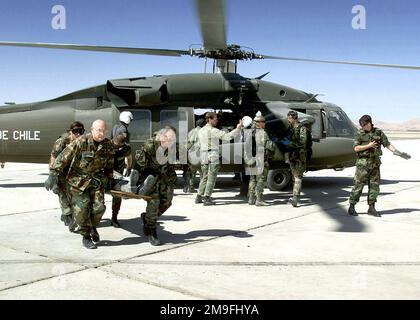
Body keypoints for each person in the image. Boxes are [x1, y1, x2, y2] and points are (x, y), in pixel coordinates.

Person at [51, 119, 114, 249]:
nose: (101, 134)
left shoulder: (108, 145)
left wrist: (110, 178)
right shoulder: (82, 141)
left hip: (96, 181)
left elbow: (109, 164)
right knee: (82, 210)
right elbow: (64, 156)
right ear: (92, 130)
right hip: (78, 182)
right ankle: (86, 236)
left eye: (103, 131)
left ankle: (92, 227)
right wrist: (53, 173)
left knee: (99, 208)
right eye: (98, 130)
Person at [348, 115, 411, 217]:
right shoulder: (359, 133)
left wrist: (398, 152)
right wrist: (368, 146)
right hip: (362, 165)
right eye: (361, 125)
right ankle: (352, 207)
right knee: (358, 186)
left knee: (374, 187)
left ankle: (371, 208)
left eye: (364, 125)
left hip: (375, 164)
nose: (362, 127)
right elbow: (356, 148)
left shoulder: (378, 132)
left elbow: (387, 144)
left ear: (369, 123)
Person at [134, 125, 178, 246]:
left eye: (174, 139)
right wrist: (137, 184)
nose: (172, 142)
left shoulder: (172, 147)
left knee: (167, 202)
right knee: (154, 202)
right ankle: (151, 231)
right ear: (163, 137)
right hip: (150, 178)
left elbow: (171, 166)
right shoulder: (150, 145)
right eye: (170, 139)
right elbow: (139, 166)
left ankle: (146, 218)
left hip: (164, 178)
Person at [196, 112, 243, 206]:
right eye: (215, 119)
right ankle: (207, 198)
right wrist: (238, 129)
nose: (217, 120)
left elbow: (198, 144)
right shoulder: (213, 130)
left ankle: (199, 196)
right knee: (211, 178)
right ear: (209, 119)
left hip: (203, 155)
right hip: (212, 155)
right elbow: (227, 137)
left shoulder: (200, 131)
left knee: (204, 177)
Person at [45, 121, 85, 231]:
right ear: (70, 131)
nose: (78, 134)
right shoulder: (62, 141)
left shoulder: (82, 142)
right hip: (60, 171)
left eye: (80, 131)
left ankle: (68, 214)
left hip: (72, 172)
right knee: (62, 192)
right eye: (75, 131)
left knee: (72, 194)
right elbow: (53, 156)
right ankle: (67, 216)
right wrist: (51, 175)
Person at [245, 115, 275, 206]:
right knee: (261, 179)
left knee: (252, 179)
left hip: (251, 159)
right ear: (259, 123)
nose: (265, 123)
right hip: (260, 159)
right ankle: (259, 199)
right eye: (264, 121)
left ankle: (251, 199)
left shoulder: (250, 132)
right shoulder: (262, 133)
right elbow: (270, 146)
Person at [280, 110, 308, 207]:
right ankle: (295, 196)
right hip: (292, 156)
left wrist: (289, 143)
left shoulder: (302, 128)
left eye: (289, 118)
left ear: (293, 118)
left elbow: (302, 142)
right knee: (294, 176)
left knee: (298, 177)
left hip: (300, 156)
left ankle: (295, 198)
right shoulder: (290, 128)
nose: (288, 120)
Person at [110, 133, 133, 227]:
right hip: (104, 174)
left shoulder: (126, 148)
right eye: (116, 145)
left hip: (118, 175)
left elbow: (129, 157)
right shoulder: (106, 145)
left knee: (117, 196)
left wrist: (129, 167)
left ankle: (114, 218)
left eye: (120, 146)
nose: (118, 148)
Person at [183, 118, 205, 193]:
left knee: (192, 171)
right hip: (200, 154)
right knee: (203, 172)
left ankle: (190, 188)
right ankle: (202, 189)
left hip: (191, 154)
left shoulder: (192, 131)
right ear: (203, 125)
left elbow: (188, 143)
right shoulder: (203, 132)